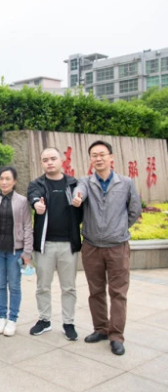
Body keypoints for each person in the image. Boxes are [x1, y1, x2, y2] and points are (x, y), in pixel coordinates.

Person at [72, 140, 141, 356]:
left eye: (102, 154)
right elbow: (79, 192)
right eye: (94, 155)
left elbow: (135, 210)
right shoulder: (86, 182)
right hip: (92, 246)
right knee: (96, 291)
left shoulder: (126, 183)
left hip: (117, 247)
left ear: (111, 157)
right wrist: (77, 197)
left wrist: (119, 228)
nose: (98, 158)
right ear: (90, 160)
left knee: (118, 292)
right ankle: (100, 329)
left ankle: (116, 336)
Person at [27, 148, 83, 341]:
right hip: (45, 245)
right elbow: (34, 196)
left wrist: (79, 203)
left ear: (61, 160)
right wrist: (37, 204)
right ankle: (44, 320)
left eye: (53, 158)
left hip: (68, 244)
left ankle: (68, 322)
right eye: (45, 160)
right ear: (42, 163)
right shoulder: (37, 184)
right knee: (43, 286)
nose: (49, 162)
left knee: (69, 287)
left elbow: (82, 206)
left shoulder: (73, 183)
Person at [0, 166, 33, 337]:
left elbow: (28, 227)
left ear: (14, 181)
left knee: (14, 286)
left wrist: (27, 252)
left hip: (15, 251)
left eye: (7, 179)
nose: (4, 182)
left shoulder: (22, 201)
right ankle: (1, 317)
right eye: (1, 179)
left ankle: (12, 319)